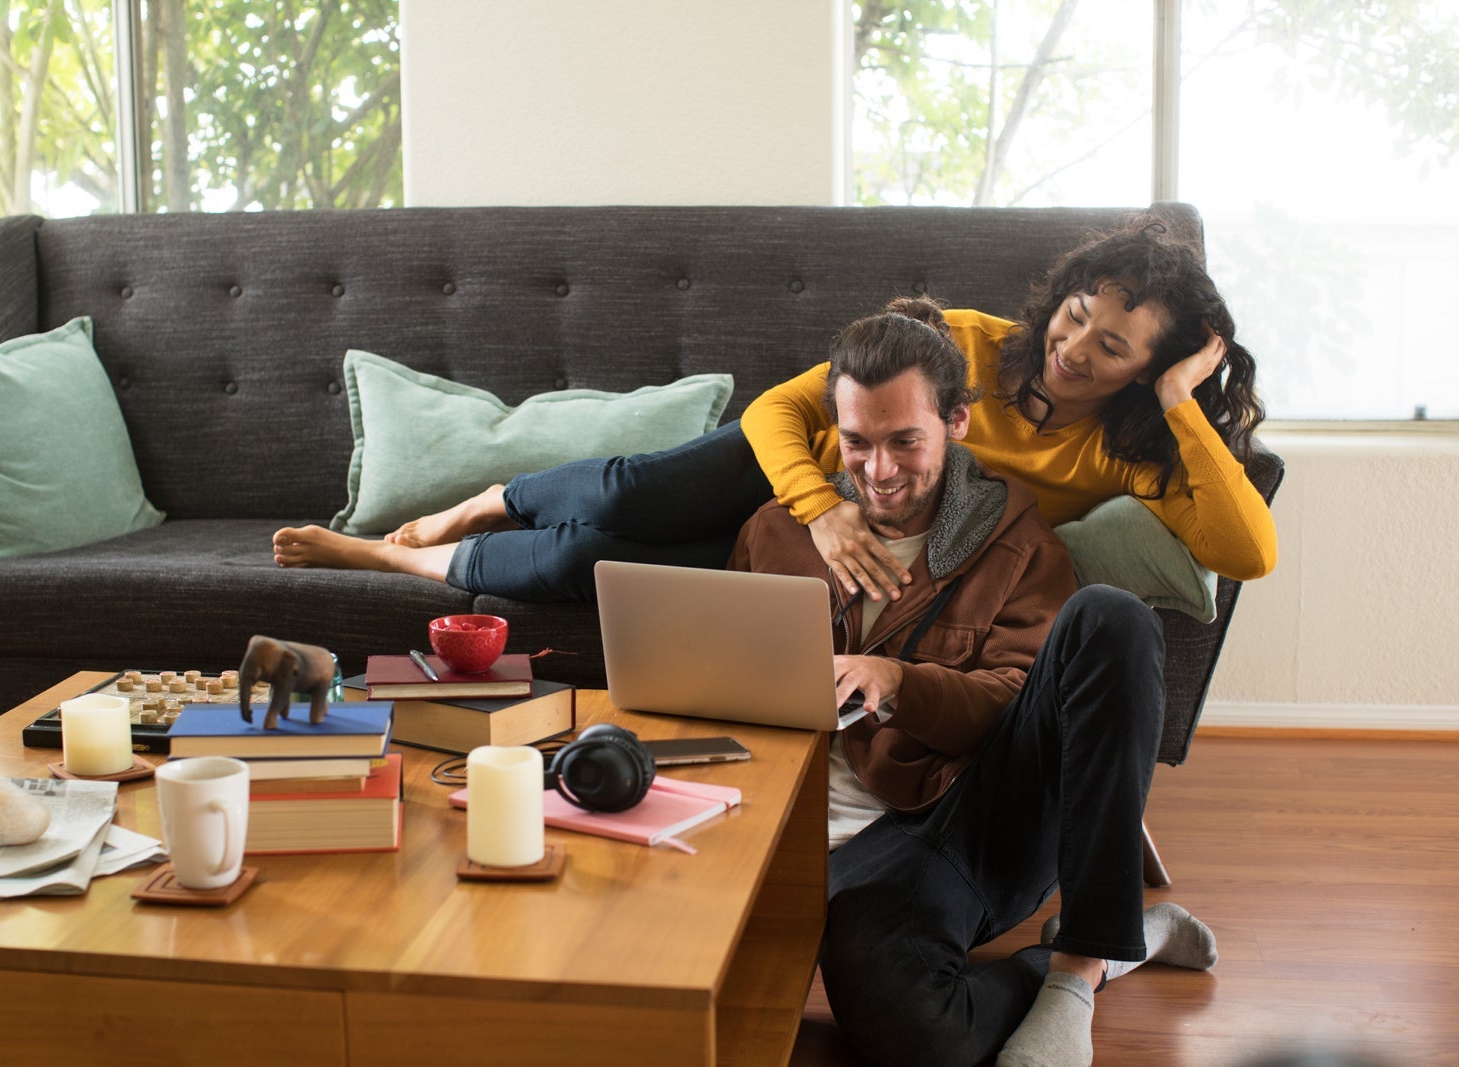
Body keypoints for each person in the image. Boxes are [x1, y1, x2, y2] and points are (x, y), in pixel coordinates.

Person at [273, 219, 1275, 605]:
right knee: (628, 496)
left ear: (1147, 370)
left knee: (596, 566)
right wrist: (820, 503)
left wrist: (1181, 405)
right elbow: (780, 409)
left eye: (1113, 347)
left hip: (833, 535)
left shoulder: (1126, 455)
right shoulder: (965, 341)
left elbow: (1247, 553)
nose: (1074, 346)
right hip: (799, 471)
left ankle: (399, 562)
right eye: (1075, 313)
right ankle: (488, 498)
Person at [727, 308, 1218, 1067]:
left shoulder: (1015, 534)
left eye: (905, 442)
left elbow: (1013, 701)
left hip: (960, 812)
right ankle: (1120, 946)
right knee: (918, 1033)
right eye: (857, 443)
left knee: (1112, 617)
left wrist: (898, 680)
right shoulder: (776, 531)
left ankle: (1083, 961)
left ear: (956, 421)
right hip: (828, 847)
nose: (878, 470)